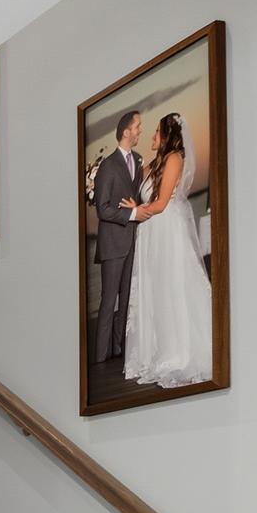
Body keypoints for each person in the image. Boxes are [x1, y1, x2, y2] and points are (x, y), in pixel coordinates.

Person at [122, 111, 215, 387]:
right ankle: (152, 352)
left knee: (171, 286)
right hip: (150, 232)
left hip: (165, 229)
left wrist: (136, 211)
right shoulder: (150, 165)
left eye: (156, 132)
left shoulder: (174, 158)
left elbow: (161, 203)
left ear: (166, 135)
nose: (151, 137)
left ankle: (179, 351)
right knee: (153, 288)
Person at [89, 109, 142, 363]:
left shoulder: (139, 161)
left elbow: (136, 200)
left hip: (132, 242)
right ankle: (100, 359)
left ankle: (118, 352)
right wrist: (131, 215)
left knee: (127, 297)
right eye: (137, 126)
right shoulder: (108, 166)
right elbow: (103, 208)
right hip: (112, 244)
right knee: (109, 302)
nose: (140, 130)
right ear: (126, 132)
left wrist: (138, 208)